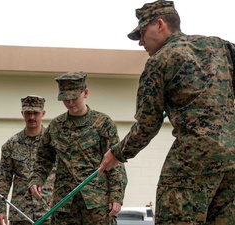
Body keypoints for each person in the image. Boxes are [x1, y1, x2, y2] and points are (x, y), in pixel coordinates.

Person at [98, 1, 235, 224]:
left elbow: (147, 126)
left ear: (160, 24)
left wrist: (117, 153)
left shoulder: (159, 62)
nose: (141, 42)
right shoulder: (221, 47)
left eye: (142, 32)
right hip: (230, 163)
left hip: (191, 164)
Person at [29, 71, 127, 225]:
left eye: (74, 98)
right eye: (65, 99)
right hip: (64, 203)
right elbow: (43, 159)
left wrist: (116, 195)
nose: (70, 103)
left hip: (96, 203)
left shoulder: (103, 123)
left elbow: (116, 162)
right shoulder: (55, 126)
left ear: (85, 93)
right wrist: (37, 179)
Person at [0, 95, 55, 225]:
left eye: (36, 113)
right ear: (22, 113)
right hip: (21, 213)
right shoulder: (11, 145)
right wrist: (0, 210)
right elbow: (3, 180)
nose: (32, 117)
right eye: (28, 113)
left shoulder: (53, 142)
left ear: (43, 113)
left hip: (50, 211)